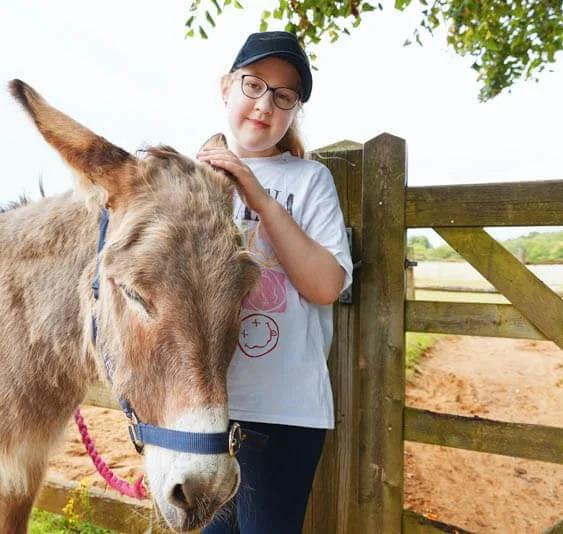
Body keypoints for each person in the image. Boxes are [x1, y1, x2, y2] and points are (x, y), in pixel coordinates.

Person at [196, 31, 354, 533]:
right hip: (203, 410)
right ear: (226, 87)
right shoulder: (190, 177)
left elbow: (326, 285)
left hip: (285, 412)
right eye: (254, 85)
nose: (266, 104)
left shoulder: (309, 181)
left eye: (284, 96)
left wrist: (259, 197)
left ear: (294, 111)